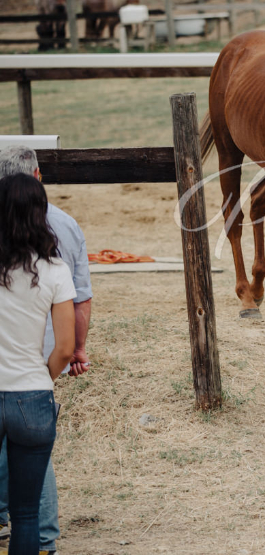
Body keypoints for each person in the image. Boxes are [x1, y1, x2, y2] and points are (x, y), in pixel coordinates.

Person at [0, 146, 93, 555]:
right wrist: (43, 377)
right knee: (25, 515)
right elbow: (66, 346)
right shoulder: (54, 270)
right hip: (33, 395)